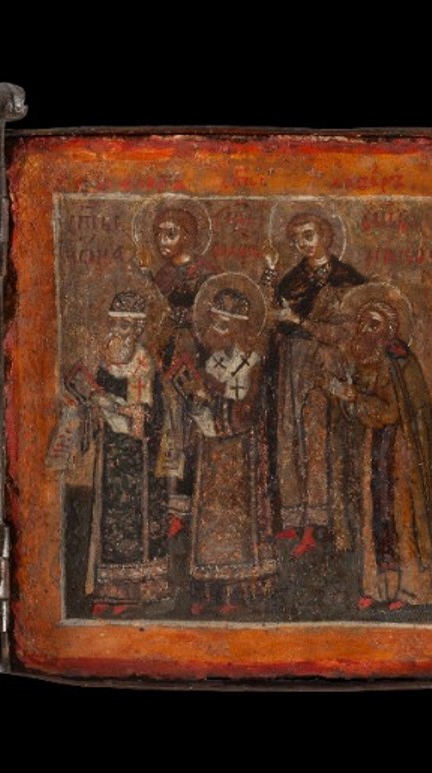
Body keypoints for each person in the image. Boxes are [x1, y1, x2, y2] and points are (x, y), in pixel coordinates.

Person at [265, 209, 369, 558]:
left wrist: (300, 322)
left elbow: (345, 333)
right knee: (289, 437)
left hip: (322, 367)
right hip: (290, 364)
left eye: (308, 236)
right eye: (297, 239)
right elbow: (277, 319)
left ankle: (316, 524)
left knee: (316, 442)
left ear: (326, 235)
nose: (303, 244)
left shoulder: (346, 280)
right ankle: (293, 518)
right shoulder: (292, 279)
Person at [333, 297, 432, 610]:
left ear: (390, 329)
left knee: (401, 516)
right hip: (376, 444)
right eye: (363, 322)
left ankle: (412, 588)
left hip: (400, 449)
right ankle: (380, 587)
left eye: (374, 324)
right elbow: (360, 408)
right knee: (377, 515)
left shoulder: (399, 361)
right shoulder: (367, 361)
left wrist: (355, 398)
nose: (365, 329)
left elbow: (392, 411)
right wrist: (348, 397)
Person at [61, 290, 172, 613]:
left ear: (136, 329)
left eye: (124, 326)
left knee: (134, 520)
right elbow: (95, 397)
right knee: (109, 519)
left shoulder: (143, 364)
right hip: (111, 450)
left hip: (138, 456)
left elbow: (147, 414)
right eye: (115, 324)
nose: (117, 332)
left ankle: (135, 590)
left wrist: (117, 407)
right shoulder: (107, 363)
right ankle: (109, 588)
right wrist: (89, 402)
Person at [182, 281, 278, 615]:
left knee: (236, 521)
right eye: (213, 323)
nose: (214, 331)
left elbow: (248, 409)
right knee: (209, 519)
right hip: (212, 452)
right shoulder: (215, 360)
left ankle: (234, 593)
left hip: (239, 452)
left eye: (222, 325)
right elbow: (206, 396)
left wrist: (214, 399)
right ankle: (207, 588)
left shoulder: (251, 361)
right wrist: (196, 401)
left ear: (238, 327)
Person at [145, 205, 210, 526]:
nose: (163, 241)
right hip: (164, 360)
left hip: (193, 359)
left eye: (170, 234)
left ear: (188, 236)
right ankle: (167, 507)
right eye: (159, 235)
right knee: (164, 429)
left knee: (189, 430)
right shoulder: (161, 276)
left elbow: (209, 322)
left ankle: (186, 507)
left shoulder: (205, 276)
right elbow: (154, 321)